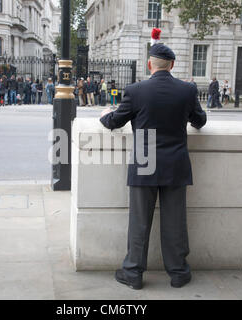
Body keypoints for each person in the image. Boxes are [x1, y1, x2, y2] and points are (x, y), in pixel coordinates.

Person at [99, 43, 207, 290]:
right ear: (172, 65)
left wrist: (105, 113)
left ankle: (133, 273)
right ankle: (178, 272)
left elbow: (114, 121)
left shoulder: (136, 91)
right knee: (175, 221)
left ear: (150, 64)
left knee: (139, 221)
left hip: (144, 160)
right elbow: (200, 121)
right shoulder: (187, 90)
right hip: (175, 163)